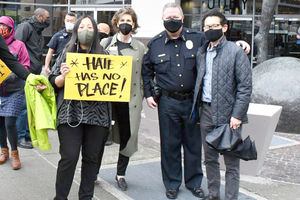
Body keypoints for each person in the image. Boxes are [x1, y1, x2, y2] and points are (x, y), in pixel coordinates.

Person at [142, 3, 250, 199]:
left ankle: (194, 183)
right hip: (167, 102)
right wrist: (149, 94)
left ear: (183, 18)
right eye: (168, 17)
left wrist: (241, 44)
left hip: (193, 102)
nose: (172, 20)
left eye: (176, 17)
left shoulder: (198, 38)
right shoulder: (155, 43)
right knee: (169, 145)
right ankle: (172, 184)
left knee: (193, 145)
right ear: (163, 20)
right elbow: (146, 70)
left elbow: (219, 46)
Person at [190, 10, 252, 200]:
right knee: (209, 159)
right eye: (207, 27)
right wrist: (198, 112)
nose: (210, 29)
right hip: (206, 111)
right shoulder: (202, 52)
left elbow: (245, 86)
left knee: (231, 163)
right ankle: (214, 195)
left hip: (229, 115)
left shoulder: (235, 51)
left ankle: (231, 197)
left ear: (224, 28)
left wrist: (238, 115)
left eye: (214, 26)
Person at [49, 15, 110, 200]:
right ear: (76, 30)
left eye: (90, 27)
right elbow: (53, 80)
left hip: (98, 116)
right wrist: (62, 77)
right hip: (70, 114)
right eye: (82, 26)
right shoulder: (66, 53)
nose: (86, 30)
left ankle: (86, 197)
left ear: (96, 32)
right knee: (69, 157)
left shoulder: (105, 56)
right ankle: (60, 197)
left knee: (91, 159)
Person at [100, 7, 146, 191]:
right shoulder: (105, 43)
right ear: (116, 23)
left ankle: (121, 174)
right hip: (106, 101)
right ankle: (93, 171)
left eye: (129, 21)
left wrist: (144, 96)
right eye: (122, 20)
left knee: (128, 137)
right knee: (100, 137)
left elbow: (144, 74)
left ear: (134, 24)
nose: (125, 24)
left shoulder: (141, 48)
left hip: (129, 101)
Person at [0, 16, 30, 169]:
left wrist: (12, 75)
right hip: (0, 91)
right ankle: (3, 151)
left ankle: (14, 153)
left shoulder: (19, 45)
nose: (2, 29)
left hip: (15, 90)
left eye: (5, 26)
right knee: (0, 122)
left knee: (10, 122)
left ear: (12, 28)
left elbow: (23, 65)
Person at [15, 8, 50, 75]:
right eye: (47, 17)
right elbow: (17, 46)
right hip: (26, 70)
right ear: (39, 16)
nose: (48, 20)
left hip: (35, 69)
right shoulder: (26, 26)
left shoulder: (38, 29)